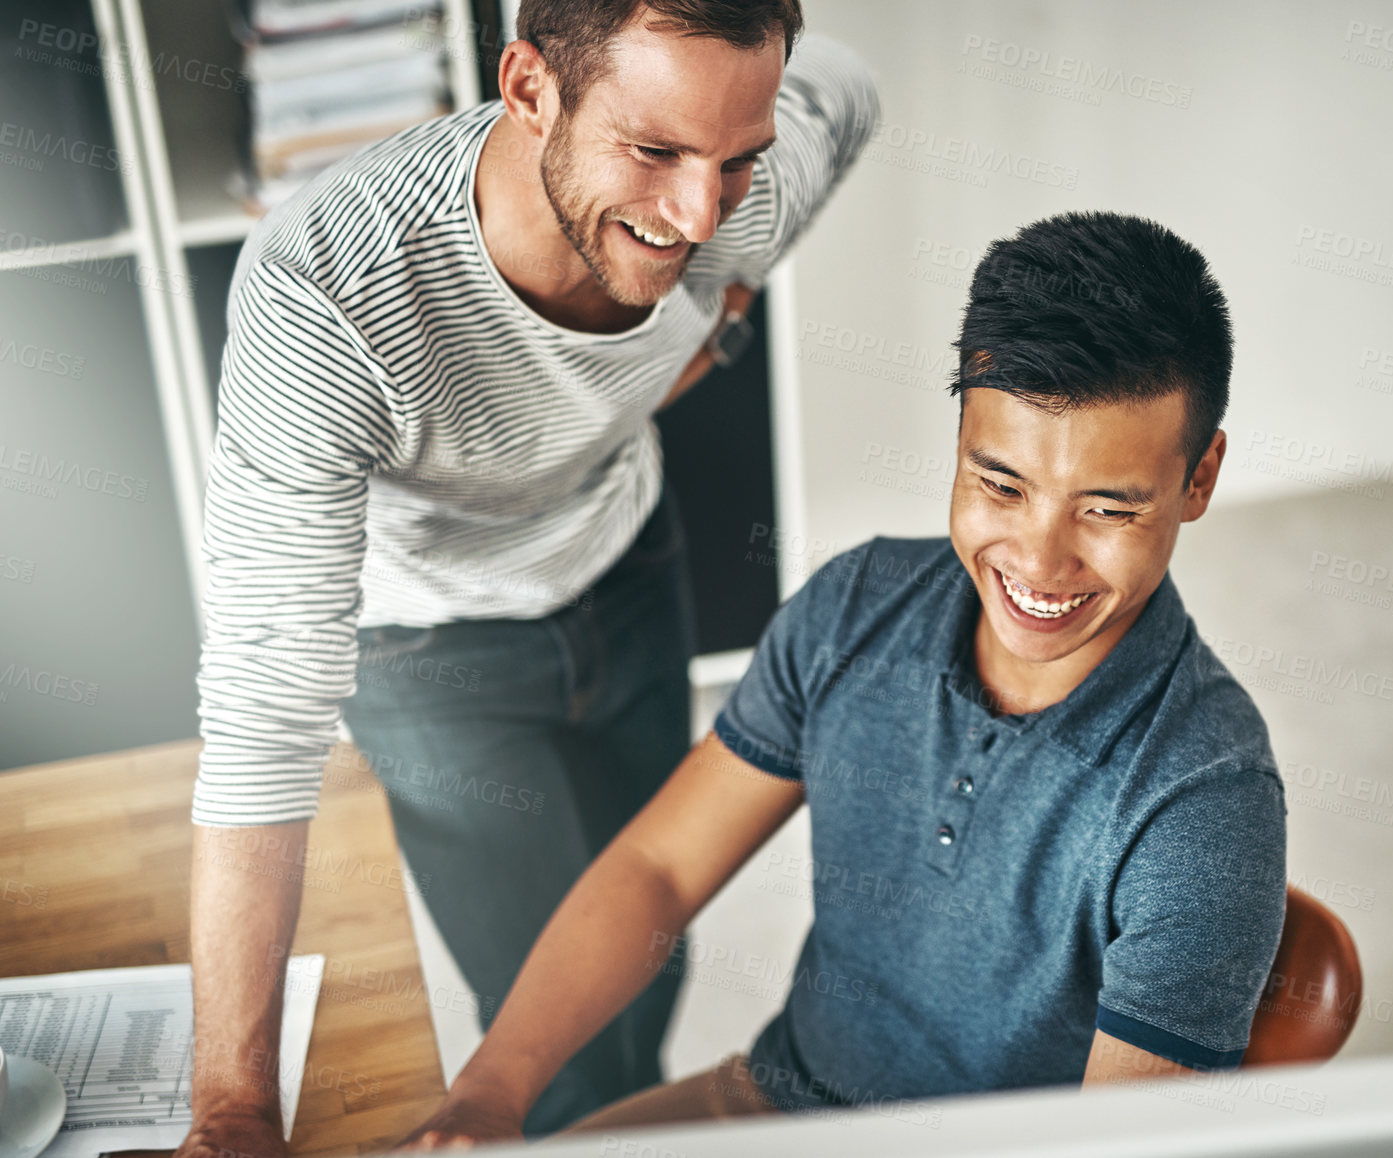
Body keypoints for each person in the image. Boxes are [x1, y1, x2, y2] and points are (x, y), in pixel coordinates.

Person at [392, 211, 1289, 1145]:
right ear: (959, 439)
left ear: (1200, 477)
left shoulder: (1205, 804)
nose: (1039, 560)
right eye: (1000, 486)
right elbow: (656, 870)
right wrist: (489, 1092)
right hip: (769, 1105)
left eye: (1107, 509)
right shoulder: (858, 608)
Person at [178, 2, 878, 1155]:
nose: (698, 215)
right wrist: (233, 1110)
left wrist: (728, 322)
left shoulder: (739, 176)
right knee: (540, 1039)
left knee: (646, 959)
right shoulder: (323, 292)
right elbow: (263, 708)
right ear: (528, 87)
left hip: (626, 567)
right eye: (653, 152)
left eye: (736, 162)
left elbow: (844, 90)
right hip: (431, 653)